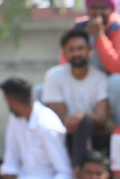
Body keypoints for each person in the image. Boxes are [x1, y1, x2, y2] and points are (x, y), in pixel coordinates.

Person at [42, 30, 111, 166]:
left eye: (80, 48)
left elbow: (102, 119)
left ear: (90, 50)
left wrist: (83, 114)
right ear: (64, 53)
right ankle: (78, 170)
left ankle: (83, 171)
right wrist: (78, 119)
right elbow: (60, 119)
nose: (76, 54)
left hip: (93, 132)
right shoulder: (54, 76)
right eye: (71, 49)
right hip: (64, 133)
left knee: (87, 125)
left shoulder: (100, 78)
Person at [72, 0, 120, 127]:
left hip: (109, 80)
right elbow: (67, 60)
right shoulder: (79, 27)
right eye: (94, 7)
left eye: (103, 8)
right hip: (85, 79)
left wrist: (99, 36)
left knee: (117, 81)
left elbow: (118, 68)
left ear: (111, 9)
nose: (98, 12)